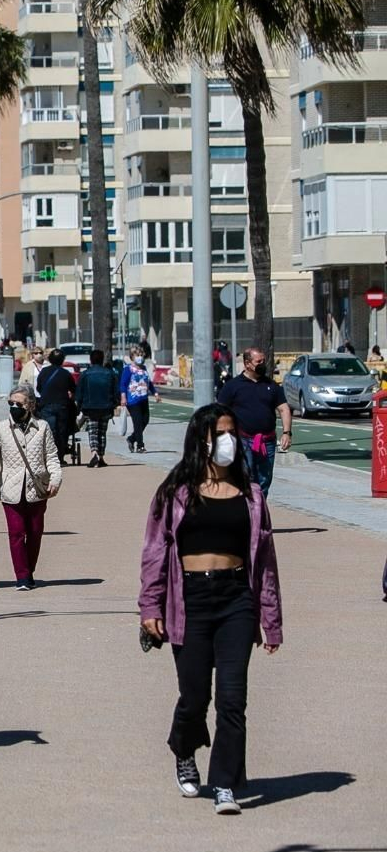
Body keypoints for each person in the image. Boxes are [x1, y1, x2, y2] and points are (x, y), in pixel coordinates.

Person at [139, 405, 283, 815]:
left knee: (233, 698)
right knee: (194, 697)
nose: (228, 441)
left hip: (237, 598)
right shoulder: (175, 494)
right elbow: (154, 552)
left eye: (231, 432)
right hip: (190, 600)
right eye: (220, 433)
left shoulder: (252, 496)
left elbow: (266, 563)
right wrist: (150, 604)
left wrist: (270, 621)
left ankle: (225, 783)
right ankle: (184, 748)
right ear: (200, 439)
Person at [0, 388, 63, 590]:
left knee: (35, 532)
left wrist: (56, 478)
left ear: (30, 405)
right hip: (11, 489)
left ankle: (29, 569)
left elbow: (52, 456)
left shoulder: (43, 427)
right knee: (16, 533)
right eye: (11, 403)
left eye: (18, 404)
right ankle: (22, 577)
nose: (14, 407)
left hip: (37, 488)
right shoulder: (1, 428)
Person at [216, 348, 291, 494]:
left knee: (265, 479)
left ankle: (259, 509)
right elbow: (220, 411)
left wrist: (287, 433)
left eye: (264, 361)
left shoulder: (271, 385)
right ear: (247, 364)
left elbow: (284, 409)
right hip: (243, 440)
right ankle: (247, 509)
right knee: (246, 477)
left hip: (267, 441)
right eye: (259, 361)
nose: (263, 364)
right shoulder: (233, 386)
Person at [75, 348, 122, 468]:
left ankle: (94, 453)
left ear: (91, 360)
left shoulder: (85, 374)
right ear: (102, 360)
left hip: (90, 407)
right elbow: (116, 391)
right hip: (106, 407)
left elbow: (79, 393)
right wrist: (115, 404)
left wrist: (79, 406)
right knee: (102, 432)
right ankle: (101, 456)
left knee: (93, 431)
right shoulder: (110, 373)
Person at [36, 350, 77, 465]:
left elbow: (39, 387)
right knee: (61, 431)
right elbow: (73, 389)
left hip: (46, 405)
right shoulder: (66, 374)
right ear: (62, 360)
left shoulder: (44, 372)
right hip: (62, 405)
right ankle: (60, 456)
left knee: (49, 431)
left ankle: (49, 456)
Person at [122, 349, 161, 453]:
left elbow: (149, 382)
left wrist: (155, 393)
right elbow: (123, 384)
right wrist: (123, 397)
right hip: (133, 399)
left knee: (145, 420)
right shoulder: (128, 369)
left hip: (144, 398)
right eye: (137, 355)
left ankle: (132, 438)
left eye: (141, 355)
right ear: (132, 357)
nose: (140, 357)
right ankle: (140, 445)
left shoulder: (144, 368)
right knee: (138, 422)